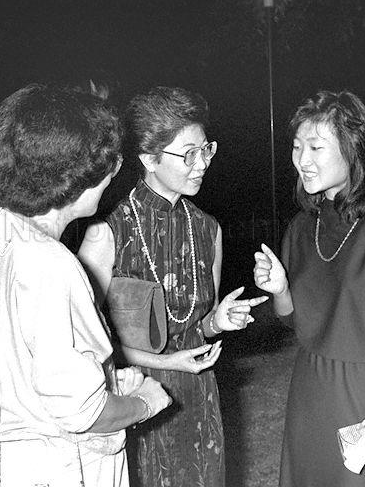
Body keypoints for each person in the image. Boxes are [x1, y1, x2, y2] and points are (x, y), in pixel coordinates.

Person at [0, 84, 172, 487]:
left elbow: (32, 366)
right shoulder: (52, 265)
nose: (114, 170)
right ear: (71, 174)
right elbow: (85, 414)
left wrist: (107, 382)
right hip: (60, 470)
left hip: (4, 466)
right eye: (106, 161)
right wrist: (144, 402)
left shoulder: (1, 228)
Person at [78, 86, 267, 487]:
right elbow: (86, 343)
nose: (202, 164)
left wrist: (217, 322)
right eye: (188, 154)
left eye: (206, 149)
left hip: (198, 394)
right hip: (131, 398)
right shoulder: (107, 230)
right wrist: (165, 364)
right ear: (148, 158)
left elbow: (196, 330)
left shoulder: (208, 229)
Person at [254, 90, 365, 486]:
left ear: (353, 150)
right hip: (309, 389)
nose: (302, 160)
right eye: (297, 147)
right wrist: (281, 289)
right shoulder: (302, 227)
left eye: (316, 146)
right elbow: (295, 324)